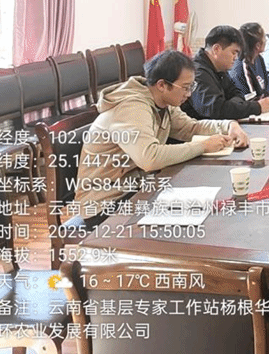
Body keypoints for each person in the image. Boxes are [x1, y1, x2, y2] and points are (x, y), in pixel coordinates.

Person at [75, 50, 249, 226]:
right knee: (197, 219)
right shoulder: (132, 108)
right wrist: (203, 146)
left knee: (206, 207)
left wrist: (229, 125)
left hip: (137, 188)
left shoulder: (162, 102)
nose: (189, 94)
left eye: (191, 87)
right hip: (105, 203)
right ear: (162, 85)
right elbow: (149, 157)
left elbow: (190, 128)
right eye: (185, 87)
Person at [183, 25, 269, 119]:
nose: (235, 58)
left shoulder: (219, 69)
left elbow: (237, 93)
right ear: (216, 49)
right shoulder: (197, 72)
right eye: (234, 53)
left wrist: (231, 106)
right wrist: (257, 107)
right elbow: (215, 110)